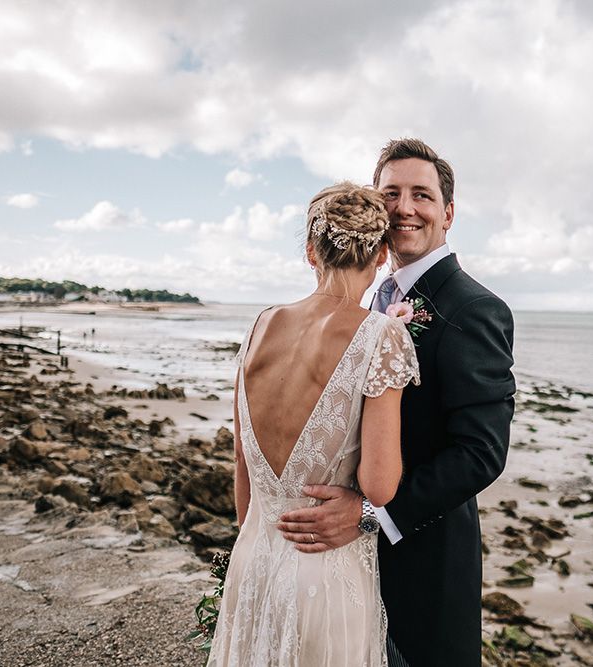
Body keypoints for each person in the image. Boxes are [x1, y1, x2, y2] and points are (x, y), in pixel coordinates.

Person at [278, 139, 516, 666]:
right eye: (391, 193)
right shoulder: (369, 303)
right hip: (346, 572)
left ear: (448, 213)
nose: (405, 207)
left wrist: (368, 515)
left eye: (422, 196)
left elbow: (480, 453)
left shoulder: (475, 309)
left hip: (426, 569)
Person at [207, 183, 420, 666]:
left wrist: (260, 544)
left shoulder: (261, 324)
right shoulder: (382, 335)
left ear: (310, 252)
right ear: (383, 252)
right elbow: (379, 486)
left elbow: (242, 458)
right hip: (324, 575)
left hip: (254, 560)